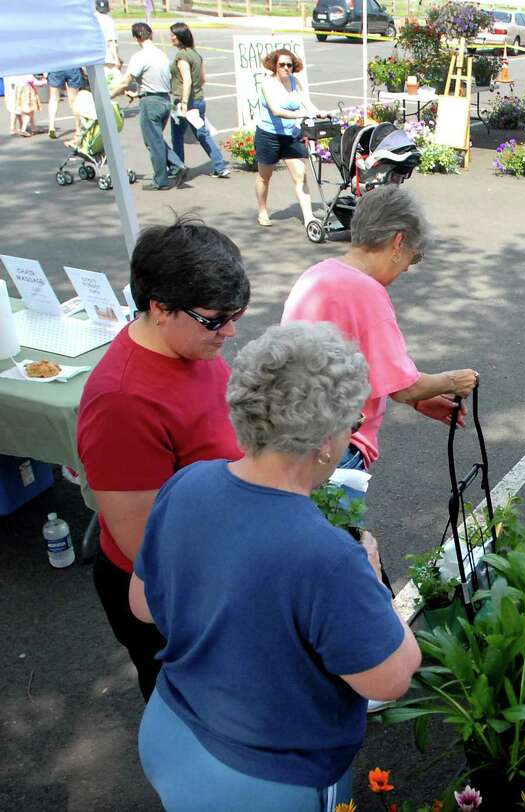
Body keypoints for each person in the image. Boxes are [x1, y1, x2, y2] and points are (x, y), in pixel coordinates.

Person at [132, 322, 421, 810]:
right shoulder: (328, 555)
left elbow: (143, 605)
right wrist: (371, 577)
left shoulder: (188, 484)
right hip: (264, 780)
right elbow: (389, 679)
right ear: (326, 442)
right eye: (351, 422)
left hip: (170, 729)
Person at [77, 217, 251, 701]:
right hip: (171, 591)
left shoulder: (190, 345)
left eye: (238, 313)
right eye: (217, 319)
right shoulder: (122, 402)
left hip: (215, 561)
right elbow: (145, 544)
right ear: (159, 308)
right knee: (192, 709)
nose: (231, 332)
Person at [281, 186, 479, 473]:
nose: (409, 267)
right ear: (398, 242)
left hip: (294, 437)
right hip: (338, 447)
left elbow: (353, 368)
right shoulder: (366, 292)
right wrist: (453, 381)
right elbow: (406, 388)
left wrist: (418, 401)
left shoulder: (317, 275)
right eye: (415, 255)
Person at [109, 22, 189, 191]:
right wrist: (138, 93)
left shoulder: (140, 57)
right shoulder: (161, 54)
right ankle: (175, 166)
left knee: (153, 142)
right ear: (150, 35)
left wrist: (109, 95)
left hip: (150, 102)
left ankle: (161, 179)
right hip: (164, 100)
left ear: (136, 37)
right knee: (156, 139)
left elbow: (125, 82)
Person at [254, 48, 319, 228]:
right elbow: (276, 110)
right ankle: (262, 211)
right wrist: (302, 114)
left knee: (301, 176)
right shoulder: (267, 84)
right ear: (274, 65)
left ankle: (309, 218)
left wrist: (318, 113)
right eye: (281, 64)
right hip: (268, 136)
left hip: (290, 136)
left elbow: (307, 102)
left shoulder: (295, 82)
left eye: (289, 65)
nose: (286, 68)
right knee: (264, 177)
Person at [168, 23, 230, 179]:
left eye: (173, 35)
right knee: (202, 134)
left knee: (177, 135)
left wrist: (183, 102)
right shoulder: (195, 54)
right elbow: (203, 79)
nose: (171, 37)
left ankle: (178, 166)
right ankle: (219, 165)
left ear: (180, 36)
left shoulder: (182, 56)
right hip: (198, 100)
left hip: (185, 102)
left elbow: (187, 80)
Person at [46, 67, 85, 140]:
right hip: (73, 67)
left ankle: (51, 127)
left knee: (53, 98)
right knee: (74, 100)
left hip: (56, 67)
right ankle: (78, 129)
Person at [96, 0, 122, 69]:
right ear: (108, 8)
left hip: (93, 58)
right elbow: (111, 41)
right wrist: (116, 58)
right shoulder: (109, 21)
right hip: (107, 57)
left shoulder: (92, 20)